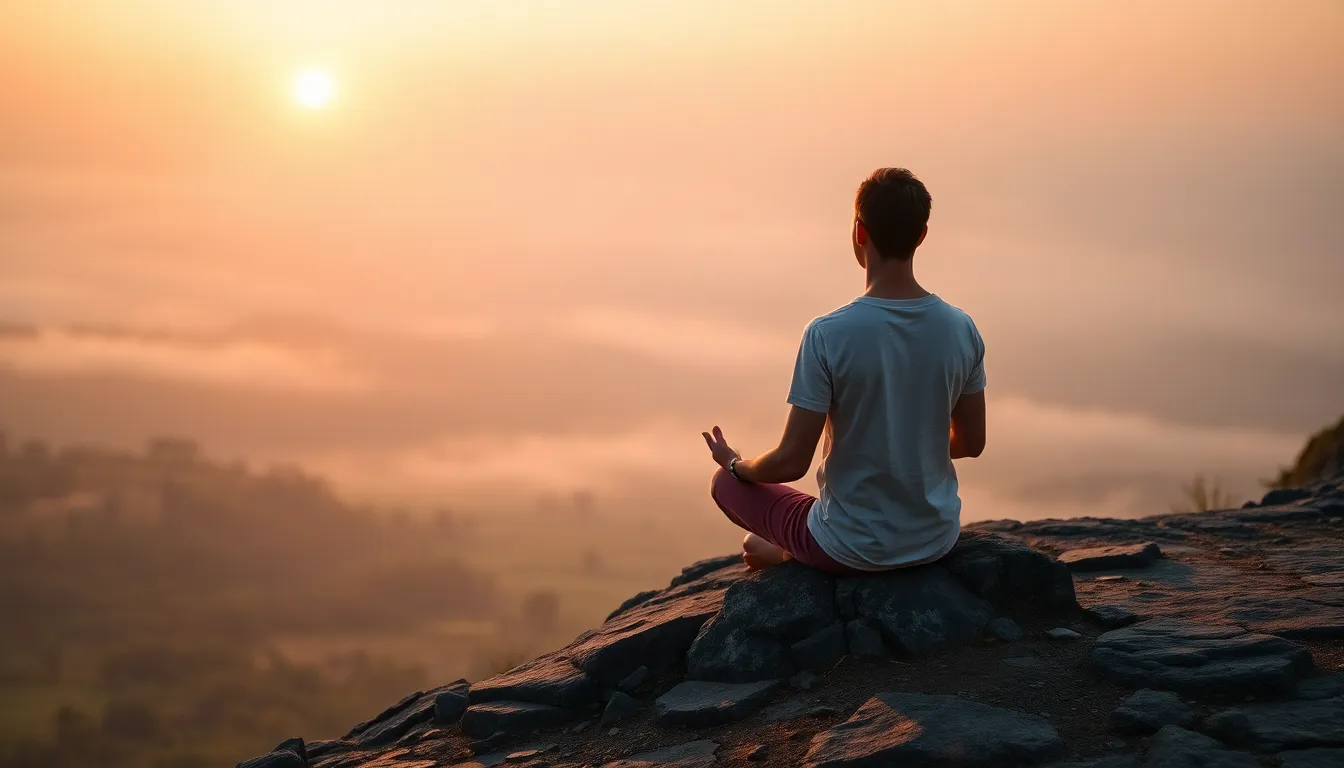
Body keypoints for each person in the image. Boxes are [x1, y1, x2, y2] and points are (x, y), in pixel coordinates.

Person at [701, 167, 987, 575]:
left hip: (850, 547)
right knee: (765, 534)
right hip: (934, 540)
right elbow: (971, 442)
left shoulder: (828, 334)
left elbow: (790, 462)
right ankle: (785, 548)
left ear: (859, 231)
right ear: (922, 235)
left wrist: (734, 465)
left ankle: (787, 551)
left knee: (725, 488)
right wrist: (909, 438)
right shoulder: (962, 328)